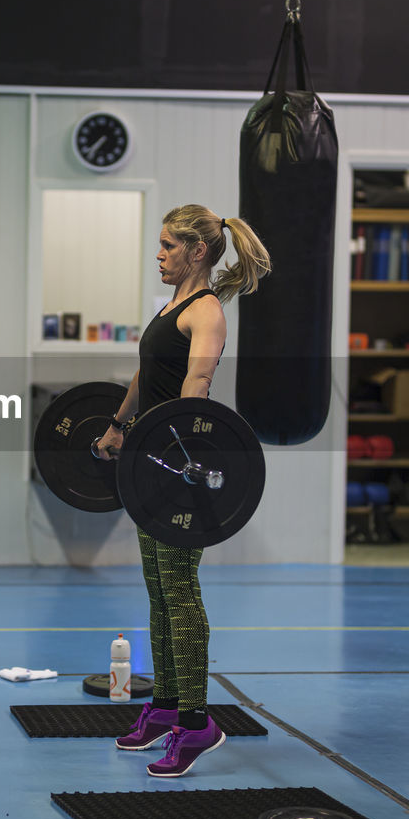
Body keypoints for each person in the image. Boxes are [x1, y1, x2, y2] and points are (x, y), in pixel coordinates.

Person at [95, 203, 271, 778]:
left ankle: (197, 723)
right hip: (152, 466)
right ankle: (166, 707)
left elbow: (195, 390)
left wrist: (158, 449)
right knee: (157, 589)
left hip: (183, 473)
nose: (159, 254)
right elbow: (147, 376)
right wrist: (120, 428)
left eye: (169, 245)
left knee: (179, 589)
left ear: (198, 252)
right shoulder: (171, 308)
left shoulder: (207, 313)